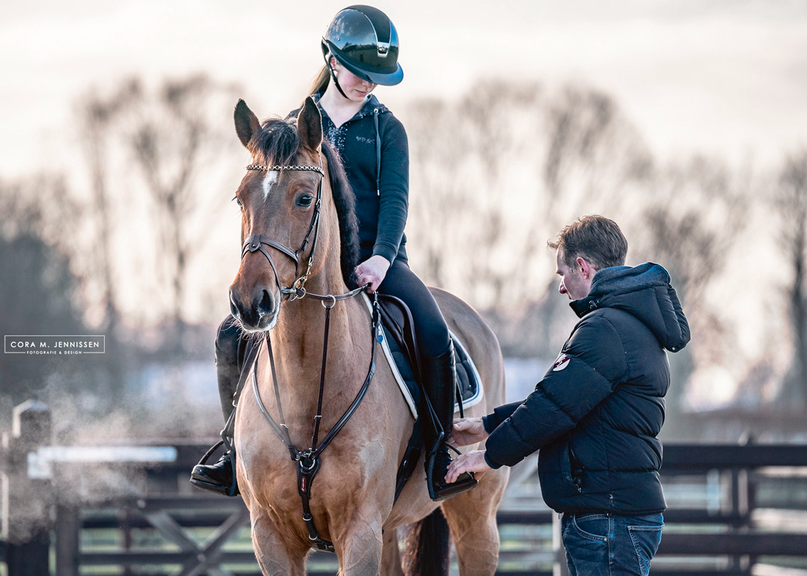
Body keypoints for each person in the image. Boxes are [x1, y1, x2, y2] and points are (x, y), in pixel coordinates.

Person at [191, 4, 477, 502]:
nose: (370, 83)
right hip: (306, 267)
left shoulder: (388, 129)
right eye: (362, 72)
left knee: (432, 330)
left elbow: (396, 201)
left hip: (377, 262)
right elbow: (272, 200)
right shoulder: (295, 128)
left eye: (378, 76)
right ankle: (232, 450)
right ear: (331, 59)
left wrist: (382, 259)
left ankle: (438, 454)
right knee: (227, 336)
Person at [446, 215, 690, 575]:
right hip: (614, 513)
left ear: (582, 266)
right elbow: (566, 400)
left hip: (607, 517)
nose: (561, 287)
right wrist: (485, 424)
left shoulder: (605, 329)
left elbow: (553, 407)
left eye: (562, 275)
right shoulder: (628, 324)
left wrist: (490, 456)